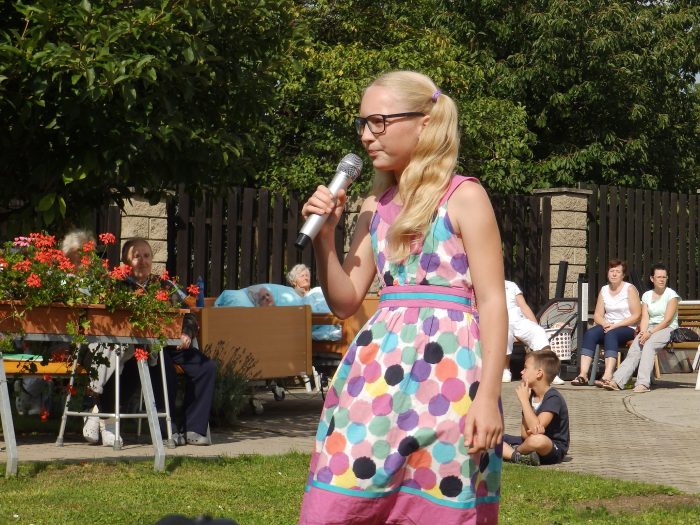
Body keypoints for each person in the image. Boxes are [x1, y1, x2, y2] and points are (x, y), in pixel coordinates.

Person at [297, 71, 507, 524]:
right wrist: (325, 239)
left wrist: (489, 396)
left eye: (379, 121)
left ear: (425, 122)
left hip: (450, 378)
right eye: (363, 123)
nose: (366, 135)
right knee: (339, 497)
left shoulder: (465, 197)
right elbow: (346, 301)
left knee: (437, 502)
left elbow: (493, 302)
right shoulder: (374, 207)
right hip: (376, 376)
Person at [117, 238, 217, 445]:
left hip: (173, 343)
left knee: (206, 367)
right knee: (164, 368)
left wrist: (187, 333)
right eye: (137, 256)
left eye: (147, 256)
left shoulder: (165, 285)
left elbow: (189, 314)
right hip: (143, 348)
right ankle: (168, 429)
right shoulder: (119, 288)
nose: (143, 261)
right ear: (126, 262)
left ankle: (193, 428)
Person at [605, 263, 679, 393]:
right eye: (659, 277)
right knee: (636, 346)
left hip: (668, 329)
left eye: (664, 277)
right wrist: (643, 332)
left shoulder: (671, 295)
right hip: (649, 328)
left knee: (649, 345)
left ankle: (643, 383)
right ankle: (617, 381)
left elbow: (667, 321)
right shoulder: (647, 295)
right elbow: (645, 318)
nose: (661, 280)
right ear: (652, 278)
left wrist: (649, 333)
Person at [570, 258, 641, 387]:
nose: (614, 274)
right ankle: (583, 375)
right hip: (608, 326)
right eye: (611, 271)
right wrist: (604, 323)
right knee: (591, 333)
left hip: (627, 327)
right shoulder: (604, 290)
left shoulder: (629, 289)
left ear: (623, 275)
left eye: (617, 272)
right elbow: (597, 315)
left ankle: (607, 375)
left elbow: (637, 315)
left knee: (611, 334)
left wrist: (615, 325)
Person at [502, 349, 569, 466]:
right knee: (494, 437)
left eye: (525, 368)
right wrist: (526, 401)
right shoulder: (530, 395)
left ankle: (514, 453)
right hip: (528, 442)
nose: (521, 372)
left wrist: (524, 401)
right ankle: (521, 456)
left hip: (551, 447)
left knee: (538, 440)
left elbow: (534, 430)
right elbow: (525, 434)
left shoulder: (553, 398)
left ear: (539, 373)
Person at [503, 280, 564, 385]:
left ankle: (549, 371)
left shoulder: (511, 285)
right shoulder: (487, 285)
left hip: (519, 321)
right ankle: (505, 369)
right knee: (505, 332)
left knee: (539, 331)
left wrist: (535, 325)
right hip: (501, 321)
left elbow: (523, 306)